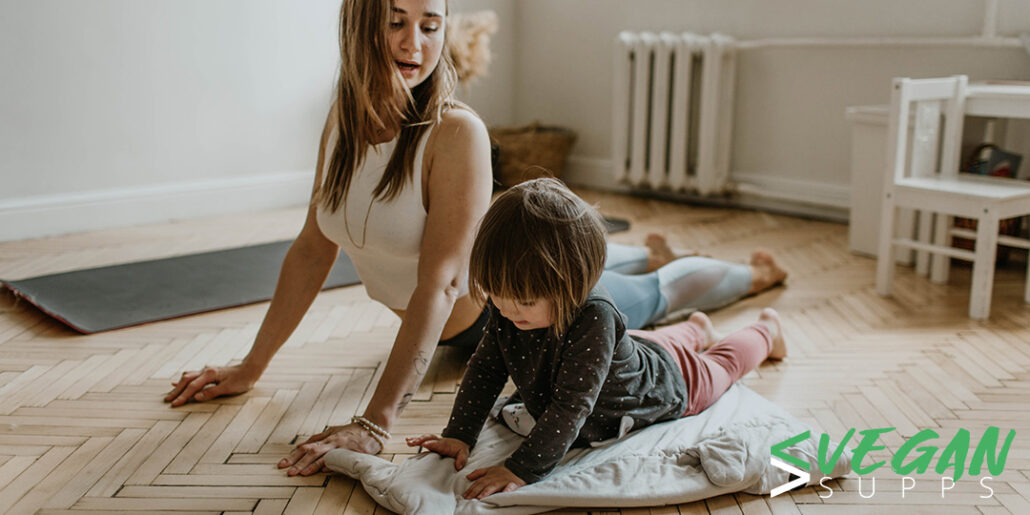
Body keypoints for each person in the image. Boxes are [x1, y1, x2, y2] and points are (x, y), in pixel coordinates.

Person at [162, 0, 787, 477]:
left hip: (525, 315)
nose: (415, 43)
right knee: (628, 282)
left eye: (431, 24)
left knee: (651, 293)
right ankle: (647, 263)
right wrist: (251, 366)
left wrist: (375, 423)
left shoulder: (454, 132)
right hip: (501, 299)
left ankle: (751, 280)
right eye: (396, 21)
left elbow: (441, 282)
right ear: (358, 23)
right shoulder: (342, 123)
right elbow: (310, 249)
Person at [406, 178, 786, 499]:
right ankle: (697, 328)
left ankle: (767, 331)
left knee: (722, 364)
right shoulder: (510, 307)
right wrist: (459, 434)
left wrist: (521, 469)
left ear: (571, 285)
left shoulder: (595, 316)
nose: (506, 310)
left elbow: (572, 406)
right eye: (496, 296)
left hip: (667, 381)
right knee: (653, 343)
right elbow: (486, 368)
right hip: (633, 350)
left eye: (522, 301)